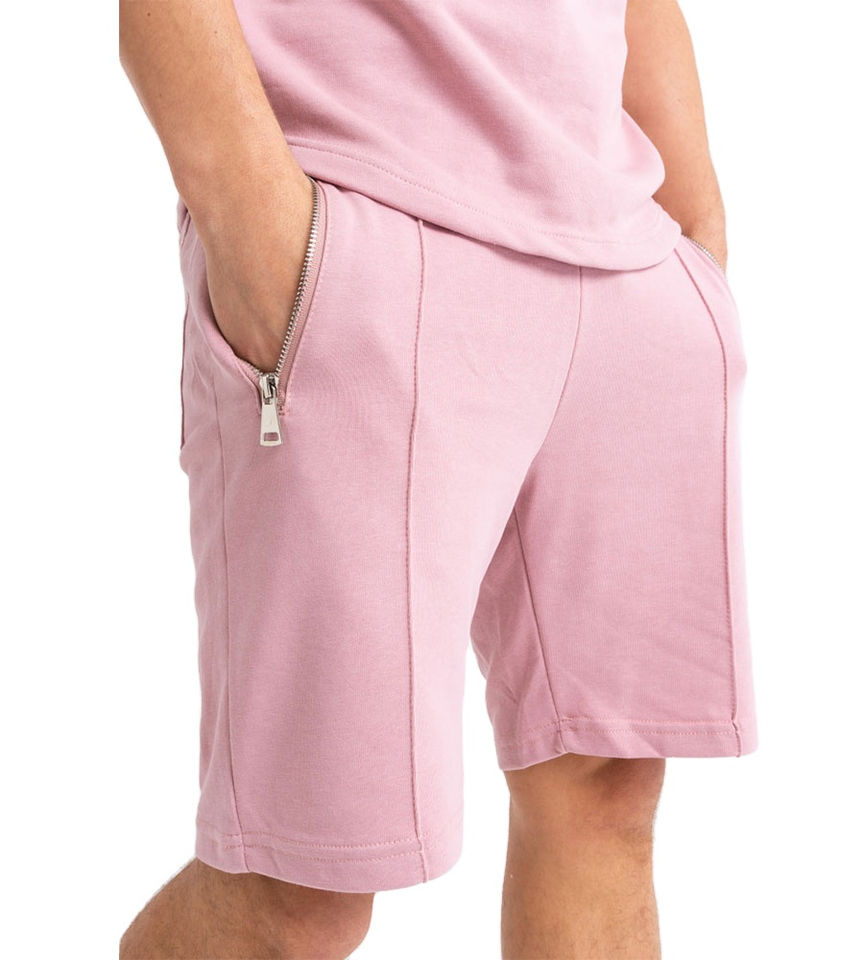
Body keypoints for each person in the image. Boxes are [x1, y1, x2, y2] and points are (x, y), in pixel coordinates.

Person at [119, 0, 757, 956]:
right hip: (370, 231)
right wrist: (257, 226)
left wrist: (693, 228)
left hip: (624, 258)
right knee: (299, 887)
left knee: (604, 797)